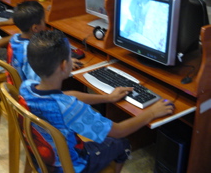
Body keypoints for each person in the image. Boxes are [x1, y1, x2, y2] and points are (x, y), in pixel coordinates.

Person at [19, 30, 175, 173]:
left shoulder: (26, 87)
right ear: (64, 65)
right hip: (74, 166)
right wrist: (152, 112)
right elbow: (119, 130)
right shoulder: (69, 108)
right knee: (121, 143)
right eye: (69, 56)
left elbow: (67, 95)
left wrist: (107, 98)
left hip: (44, 159)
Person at [7, 0, 82, 82]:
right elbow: (38, 82)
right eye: (44, 21)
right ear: (35, 28)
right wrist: (63, 67)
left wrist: (57, 62)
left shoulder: (15, 38)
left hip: (16, 83)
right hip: (27, 91)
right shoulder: (30, 51)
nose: (45, 24)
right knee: (74, 83)